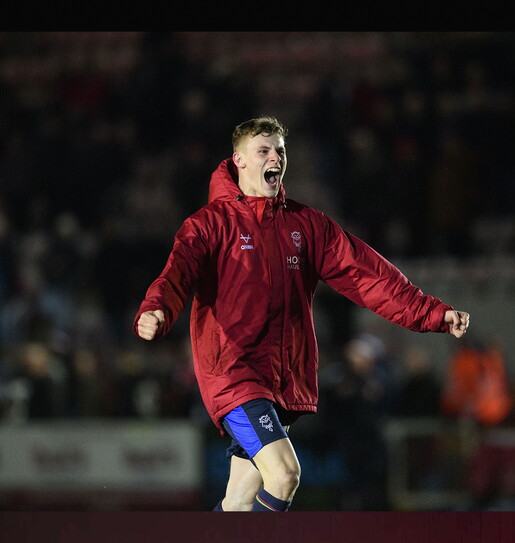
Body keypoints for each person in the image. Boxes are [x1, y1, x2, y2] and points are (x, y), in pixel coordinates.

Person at [134, 117, 470, 512]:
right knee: (285, 474)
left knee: (238, 503)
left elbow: (368, 276)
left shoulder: (306, 225)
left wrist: (432, 312)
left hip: (283, 377)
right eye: (264, 150)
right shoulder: (210, 225)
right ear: (238, 161)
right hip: (234, 374)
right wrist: (156, 309)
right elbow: (177, 273)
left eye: (280, 150)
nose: (275, 157)